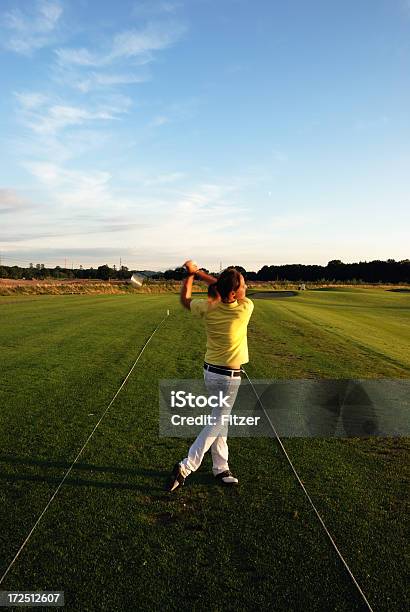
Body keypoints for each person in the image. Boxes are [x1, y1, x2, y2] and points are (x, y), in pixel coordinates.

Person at [166, 260, 254, 492]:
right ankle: (187, 466)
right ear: (234, 293)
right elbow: (221, 286)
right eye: (244, 284)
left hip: (210, 372)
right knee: (218, 420)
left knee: (219, 419)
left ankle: (220, 467)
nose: (247, 287)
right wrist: (201, 274)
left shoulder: (208, 307)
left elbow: (185, 300)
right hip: (228, 377)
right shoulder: (245, 308)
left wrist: (191, 275)